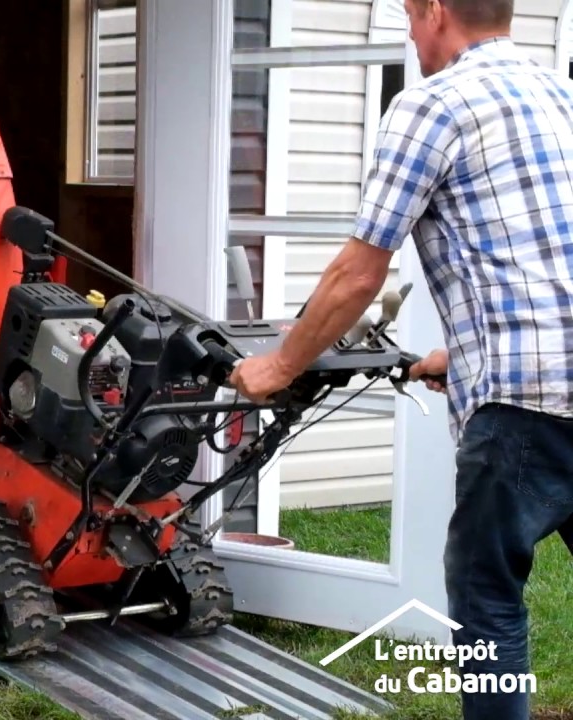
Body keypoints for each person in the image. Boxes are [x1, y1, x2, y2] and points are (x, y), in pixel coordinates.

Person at [230, 1, 573, 718]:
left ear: (437, 12)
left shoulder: (433, 105)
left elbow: (358, 274)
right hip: (547, 372)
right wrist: (468, 348)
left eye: (411, 17)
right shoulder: (559, 95)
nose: (411, 35)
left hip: (526, 408)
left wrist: (279, 367)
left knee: (487, 598)